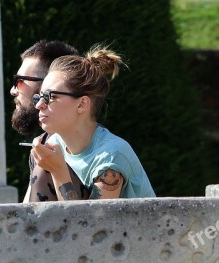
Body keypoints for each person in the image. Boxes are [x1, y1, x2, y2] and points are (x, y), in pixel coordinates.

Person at [30, 45, 155, 200]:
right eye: (39, 96)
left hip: (128, 225)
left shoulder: (110, 156)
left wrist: (58, 171)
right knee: (42, 167)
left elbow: (91, 223)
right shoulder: (52, 145)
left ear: (82, 104)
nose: (38, 105)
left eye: (50, 96)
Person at [9, 40, 82, 202]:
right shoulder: (44, 144)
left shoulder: (96, 149)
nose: (13, 90)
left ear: (49, 85)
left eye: (20, 81)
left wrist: (58, 170)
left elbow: (89, 224)